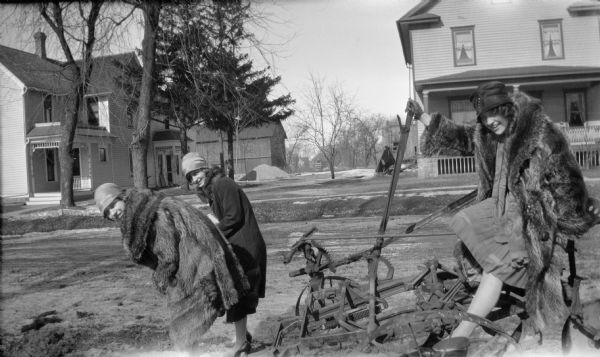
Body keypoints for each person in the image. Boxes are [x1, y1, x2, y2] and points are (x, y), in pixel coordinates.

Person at [405, 81, 600, 344]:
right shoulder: (489, 134)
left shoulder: (541, 136)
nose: (488, 121)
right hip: (498, 212)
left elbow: (567, 181)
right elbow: (462, 138)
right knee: (465, 222)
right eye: (483, 116)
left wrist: (578, 212)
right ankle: (488, 330)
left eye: (492, 113)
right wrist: (423, 117)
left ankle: (458, 340)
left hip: (528, 223)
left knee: (494, 272)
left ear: (506, 108)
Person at [94, 182, 250, 352]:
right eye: (107, 212)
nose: (112, 212)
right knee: (228, 295)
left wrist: (160, 279)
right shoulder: (143, 208)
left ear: (121, 197)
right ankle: (240, 339)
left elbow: (168, 256)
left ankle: (194, 353)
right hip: (197, 254)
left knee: (186, 322)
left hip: (196, 261)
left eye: (112, 205)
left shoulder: (150, 215)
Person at [182, 152, 267, 357]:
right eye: (190, 177)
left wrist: (213, 228)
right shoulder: (213, 188)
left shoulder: (223, 184)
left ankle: (241, 344)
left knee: (238, 294)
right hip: (238, 246)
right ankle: (242, 336)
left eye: (196, 172)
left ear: (205, 168)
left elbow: (234, 217)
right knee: (237, 293)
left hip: (246, 246)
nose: (194, 179)